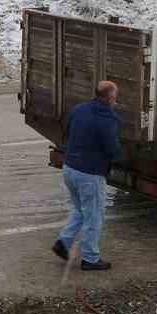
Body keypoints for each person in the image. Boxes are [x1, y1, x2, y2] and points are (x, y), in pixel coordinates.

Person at [53, 80, 122, 271]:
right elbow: (112, 149)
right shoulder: (108, 119)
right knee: (94, 216)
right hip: (89, 174)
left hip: (70, 168)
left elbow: (67, 131)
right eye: (115, 97)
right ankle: (90, 259)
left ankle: (63, 242)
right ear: (111, 98)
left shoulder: (79, 109)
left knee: (80, 210)